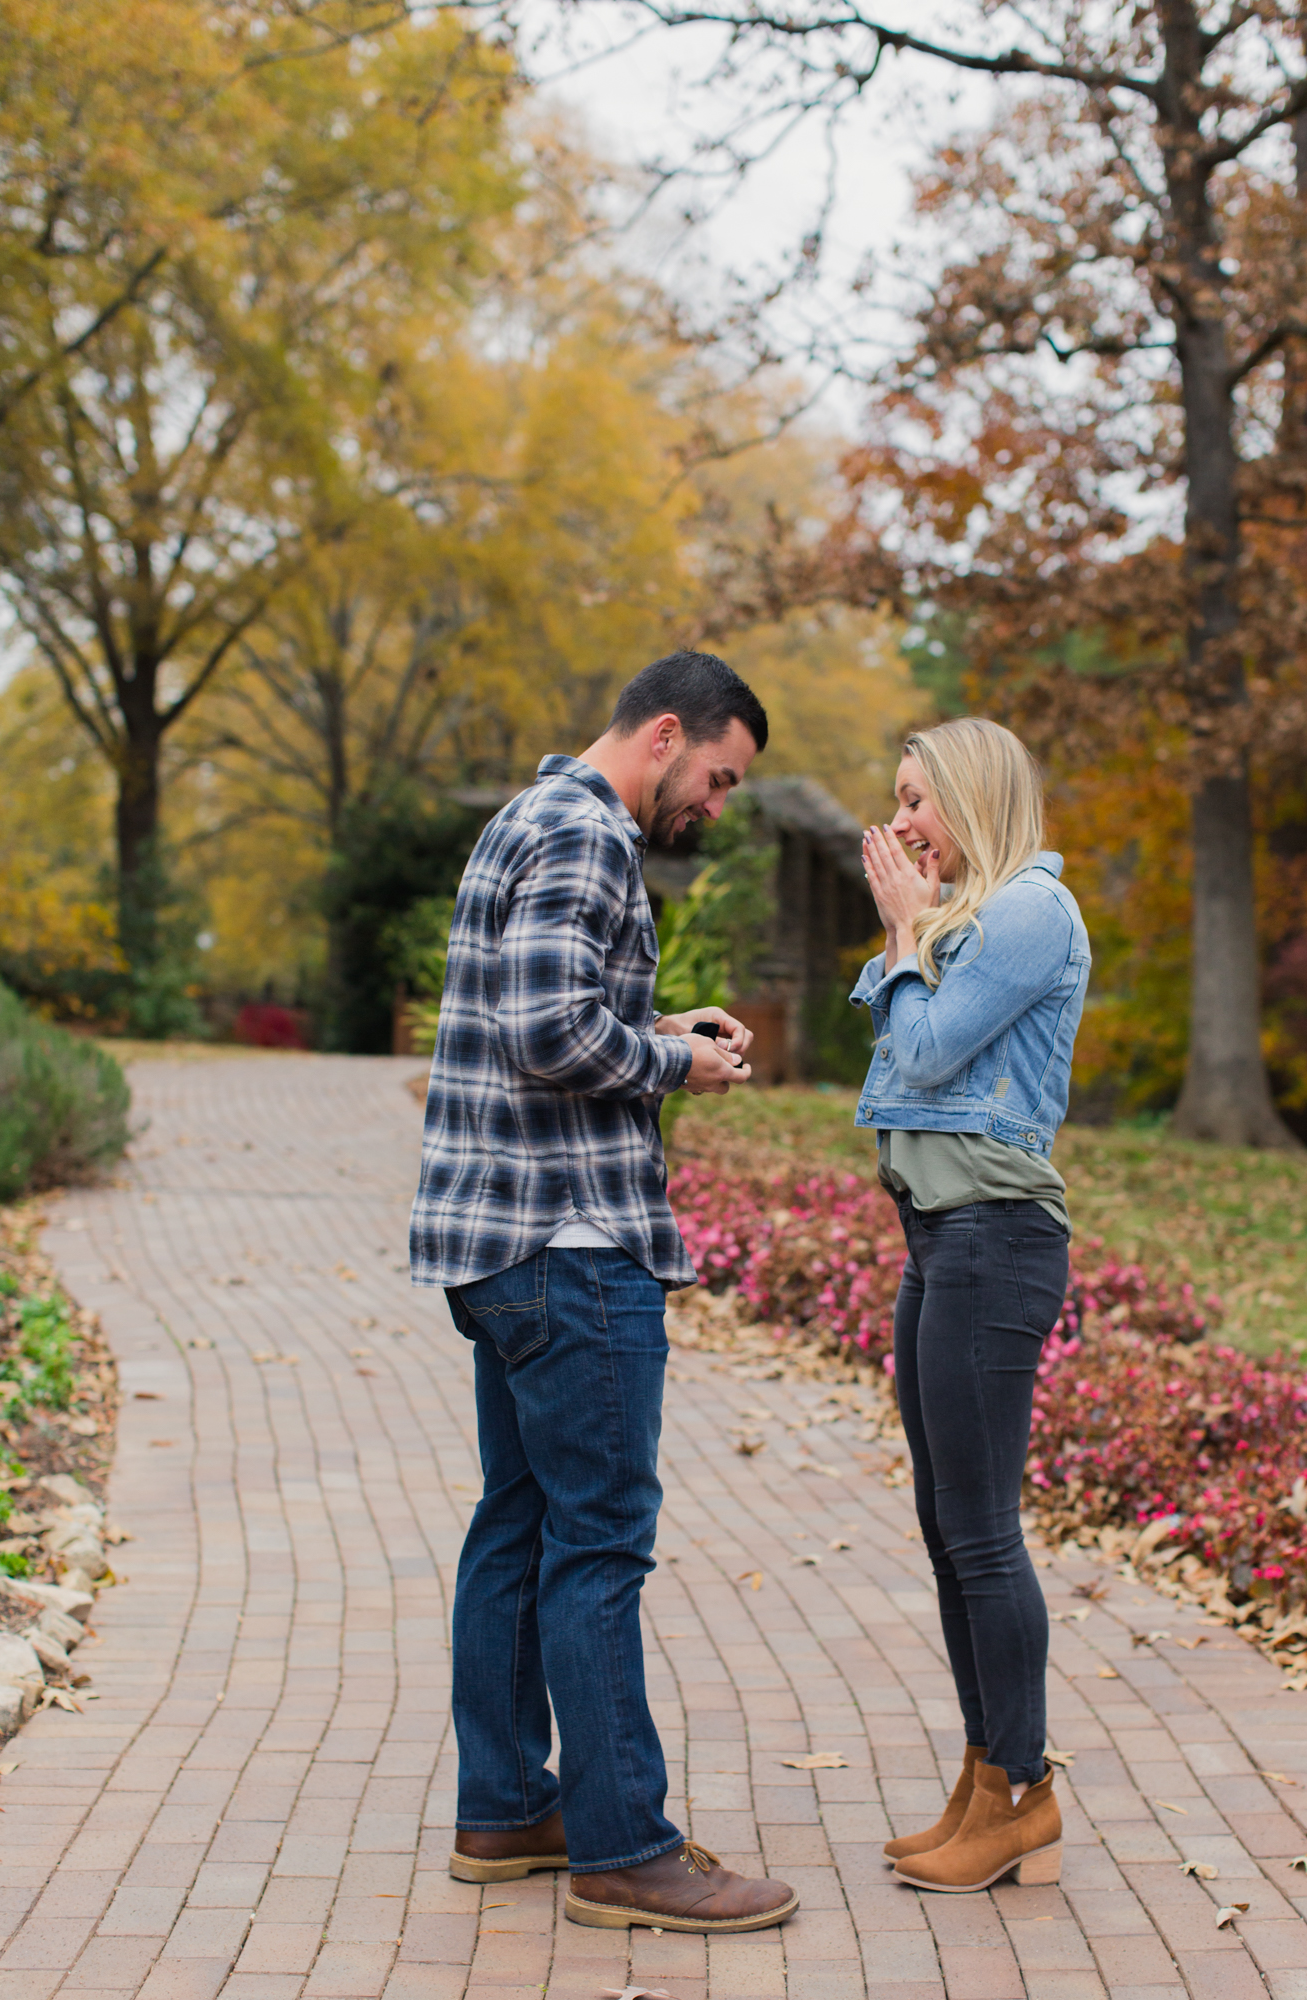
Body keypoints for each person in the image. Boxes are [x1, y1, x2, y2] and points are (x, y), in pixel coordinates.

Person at [409, 651, 799, 1935]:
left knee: (519, 1522)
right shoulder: (589, 834)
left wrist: (654, 1015)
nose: (719, 803)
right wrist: (676, 1059)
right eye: (720, 777)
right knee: (600, 1538)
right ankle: (626, 1846)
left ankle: (508, 1804)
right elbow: (548, 1035)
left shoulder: (530, 817)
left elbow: (559, 1008)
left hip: (502, 1245)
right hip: (571, 1249)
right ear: (668, 733)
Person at [852, 717, 1090, 1894]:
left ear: (971, 797)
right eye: (895, 801)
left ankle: (1026, 1790)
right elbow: (897, 1064)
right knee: (952, 1528)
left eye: (917, 801)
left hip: (996, 1242)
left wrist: (905, 929)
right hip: (937, 1237)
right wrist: (913, 931)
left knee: (984, 1528)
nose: (899, 825)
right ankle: (985, 1773)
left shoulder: (1033, 912)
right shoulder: (968, 921)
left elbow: (929, 1052)